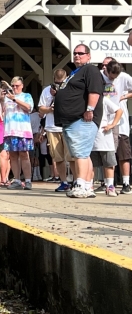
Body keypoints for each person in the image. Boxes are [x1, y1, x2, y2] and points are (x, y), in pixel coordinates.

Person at [54, 44, 103, 199]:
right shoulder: (75, 73)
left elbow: (94, 90)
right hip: (71, 120)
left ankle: (80, 184)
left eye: (81, 53)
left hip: (82, 118)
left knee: (80, 152)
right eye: (75, 53)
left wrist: (89, 109)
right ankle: (88, 186)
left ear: (88, 56)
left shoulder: (90, 70)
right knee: (82, 153)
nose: (77, 56)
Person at [102, 59, 132, 194]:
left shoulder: (124, 77)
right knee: (107, 153)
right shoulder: (99, 75)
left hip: (121, 121)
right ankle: (109, 183)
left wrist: (125, 96)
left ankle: (126, 183)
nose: (112, 78)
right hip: (104, 121)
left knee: (123, 154)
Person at [39, 69, 70, 192]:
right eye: (57, 82)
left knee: (73, 156)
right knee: (58, 157)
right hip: (52, 127)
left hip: (67, 126)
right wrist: (50, 109)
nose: (59, 85)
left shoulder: (70, 89)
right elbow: (41, 108)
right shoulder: (46, 91)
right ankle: (64, 181)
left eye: (61, 83)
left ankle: (78, 181)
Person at [0, 77, 34, 189]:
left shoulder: (26, 96)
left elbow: (28, 107)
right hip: (9, 130)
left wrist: (14, 99)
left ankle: (28, 180)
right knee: (13, 156)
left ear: (22, 85)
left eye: (17, 86)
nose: (15, 88)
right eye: (13, 86)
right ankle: (17, 179)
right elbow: (1, 110)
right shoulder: (7, 98)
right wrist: (2, 97)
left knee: (24, 154)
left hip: (22, 130)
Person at [91, 82, 122, 197]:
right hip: (91, 135)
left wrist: (112, 125)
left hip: (104, 136)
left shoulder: (103, 100)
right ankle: (89, 186)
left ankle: (110, 187)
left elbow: (119, 111)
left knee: (108, 163)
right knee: (91, 164)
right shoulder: (83, 100)